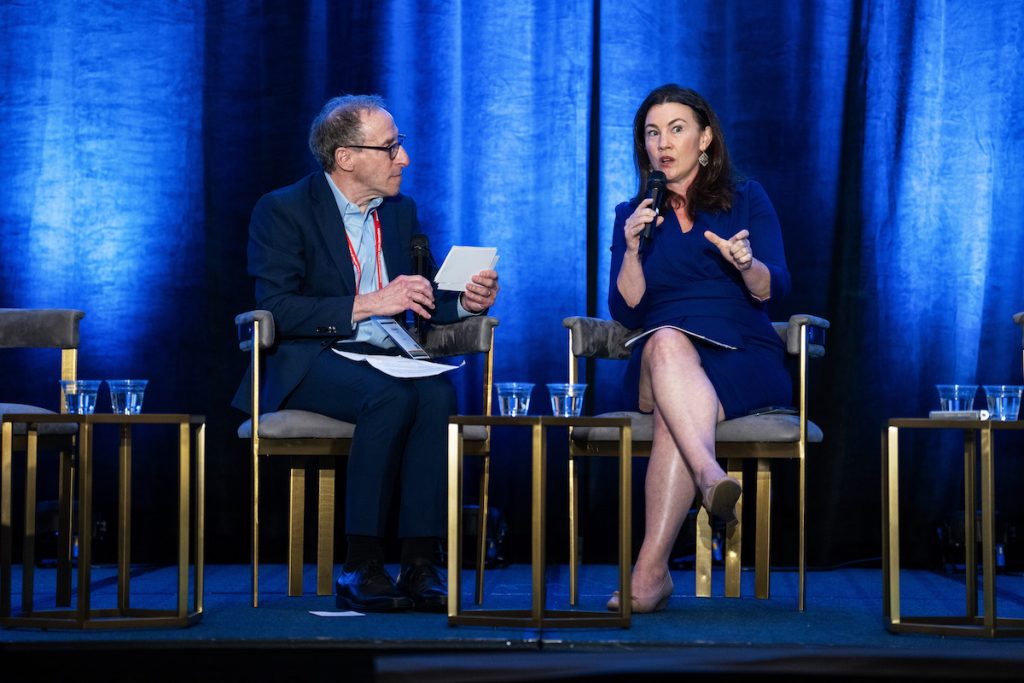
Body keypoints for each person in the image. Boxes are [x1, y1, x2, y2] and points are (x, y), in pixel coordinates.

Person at [233, 94, 499, 612]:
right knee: (390, 396)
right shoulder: (283, 209)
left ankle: (420, 562)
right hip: (310, 357)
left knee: (437, 395)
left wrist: (465, 302)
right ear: (346, 157)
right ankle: (362, 563)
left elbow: (421, 297)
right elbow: (278, 307)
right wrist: (370, 302)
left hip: (385, 356)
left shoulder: (400, 212)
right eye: (391, 147)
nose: (404, 158)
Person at [606, 84, 791, 613]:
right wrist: (633, 251)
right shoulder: (632, 213)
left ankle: (649, 574)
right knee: (665, 340)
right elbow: (626, 312)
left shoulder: (746, 198)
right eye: (652, 133)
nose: (663, 143)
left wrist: (746, 265)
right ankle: (711, 476)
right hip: (661, 354)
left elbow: (775, 288)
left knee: (678, 415)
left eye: (676, 129)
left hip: (741, 351)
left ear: (705, 138)